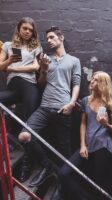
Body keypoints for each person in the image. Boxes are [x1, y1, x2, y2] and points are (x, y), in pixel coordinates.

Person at [18, 26, 81, 187]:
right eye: (47, 39)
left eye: (52, 37)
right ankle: (47, 166)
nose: (49, 41)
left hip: (63, 108)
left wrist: (72, 103)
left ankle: (65, 184)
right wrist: (44, 70)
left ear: (61, 37)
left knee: (65, 149)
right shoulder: (45, 59)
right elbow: (40, 85)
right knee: (24, 136)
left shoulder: (74, 61)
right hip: (45, 107)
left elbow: (76, 84)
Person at [55, 71, 112, 200]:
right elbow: (83, 124)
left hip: (103, 146)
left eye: (95, 80)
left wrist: (105, 124)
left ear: (102, 84)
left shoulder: (111, 104)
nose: (91, 82)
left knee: (99, 184)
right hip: (88, 144)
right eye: (92, 79)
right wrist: (82, 145)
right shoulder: (86, 100)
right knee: (64, 173)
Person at [0, 17, 42, 182]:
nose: (27, 31)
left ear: (33, 32)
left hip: (29, 86)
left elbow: (35, 67)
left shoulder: (36, 47)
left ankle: (27, 163)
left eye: (30, 30)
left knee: (28, 127)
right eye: (24, 28)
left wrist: (11, 67)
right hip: (13, 87)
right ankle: (6, 141)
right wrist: (9, 61)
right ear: (19, 29)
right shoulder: (9, 46)